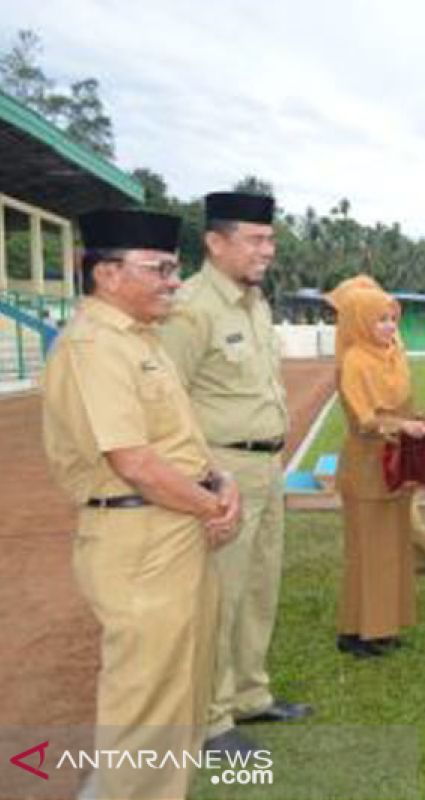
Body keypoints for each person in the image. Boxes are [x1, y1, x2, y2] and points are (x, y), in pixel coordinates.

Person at [42, 209, 241, 799]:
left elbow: (176, 445)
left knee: (177, 693)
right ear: (106, 274)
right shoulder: (95, 347)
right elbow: (135, 463)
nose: (173, 281)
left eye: (174, 269)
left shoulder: (139, 341)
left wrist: (219, 480)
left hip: (170, 534)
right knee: (146, 707)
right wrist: (211, 507)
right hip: (140, 542)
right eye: (159, 269)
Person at [158, 192, 311, 759]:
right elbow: (165, 402)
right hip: (220, 469)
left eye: (270, 239)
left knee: (259, 587)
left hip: (267, 466)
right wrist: (203, 479)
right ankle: (212, 718)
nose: (267, 250)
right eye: (255, 238)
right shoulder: (190, 308)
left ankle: (250, 693)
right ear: (215, 243)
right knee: (218, 596)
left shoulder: (254, 303)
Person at [326, 279, 425, 658]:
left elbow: (401, 405)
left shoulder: (392, 355)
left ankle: (383, 627)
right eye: (380, 320)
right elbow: (365, 419)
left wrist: (417, 420)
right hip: (368, 465)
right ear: (359, 323)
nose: (389, 326)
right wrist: (403, 426)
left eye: (392, 318)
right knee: (368, 551)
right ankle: (356, 632)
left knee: (391, 549)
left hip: (397, 464)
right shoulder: (355, 360)